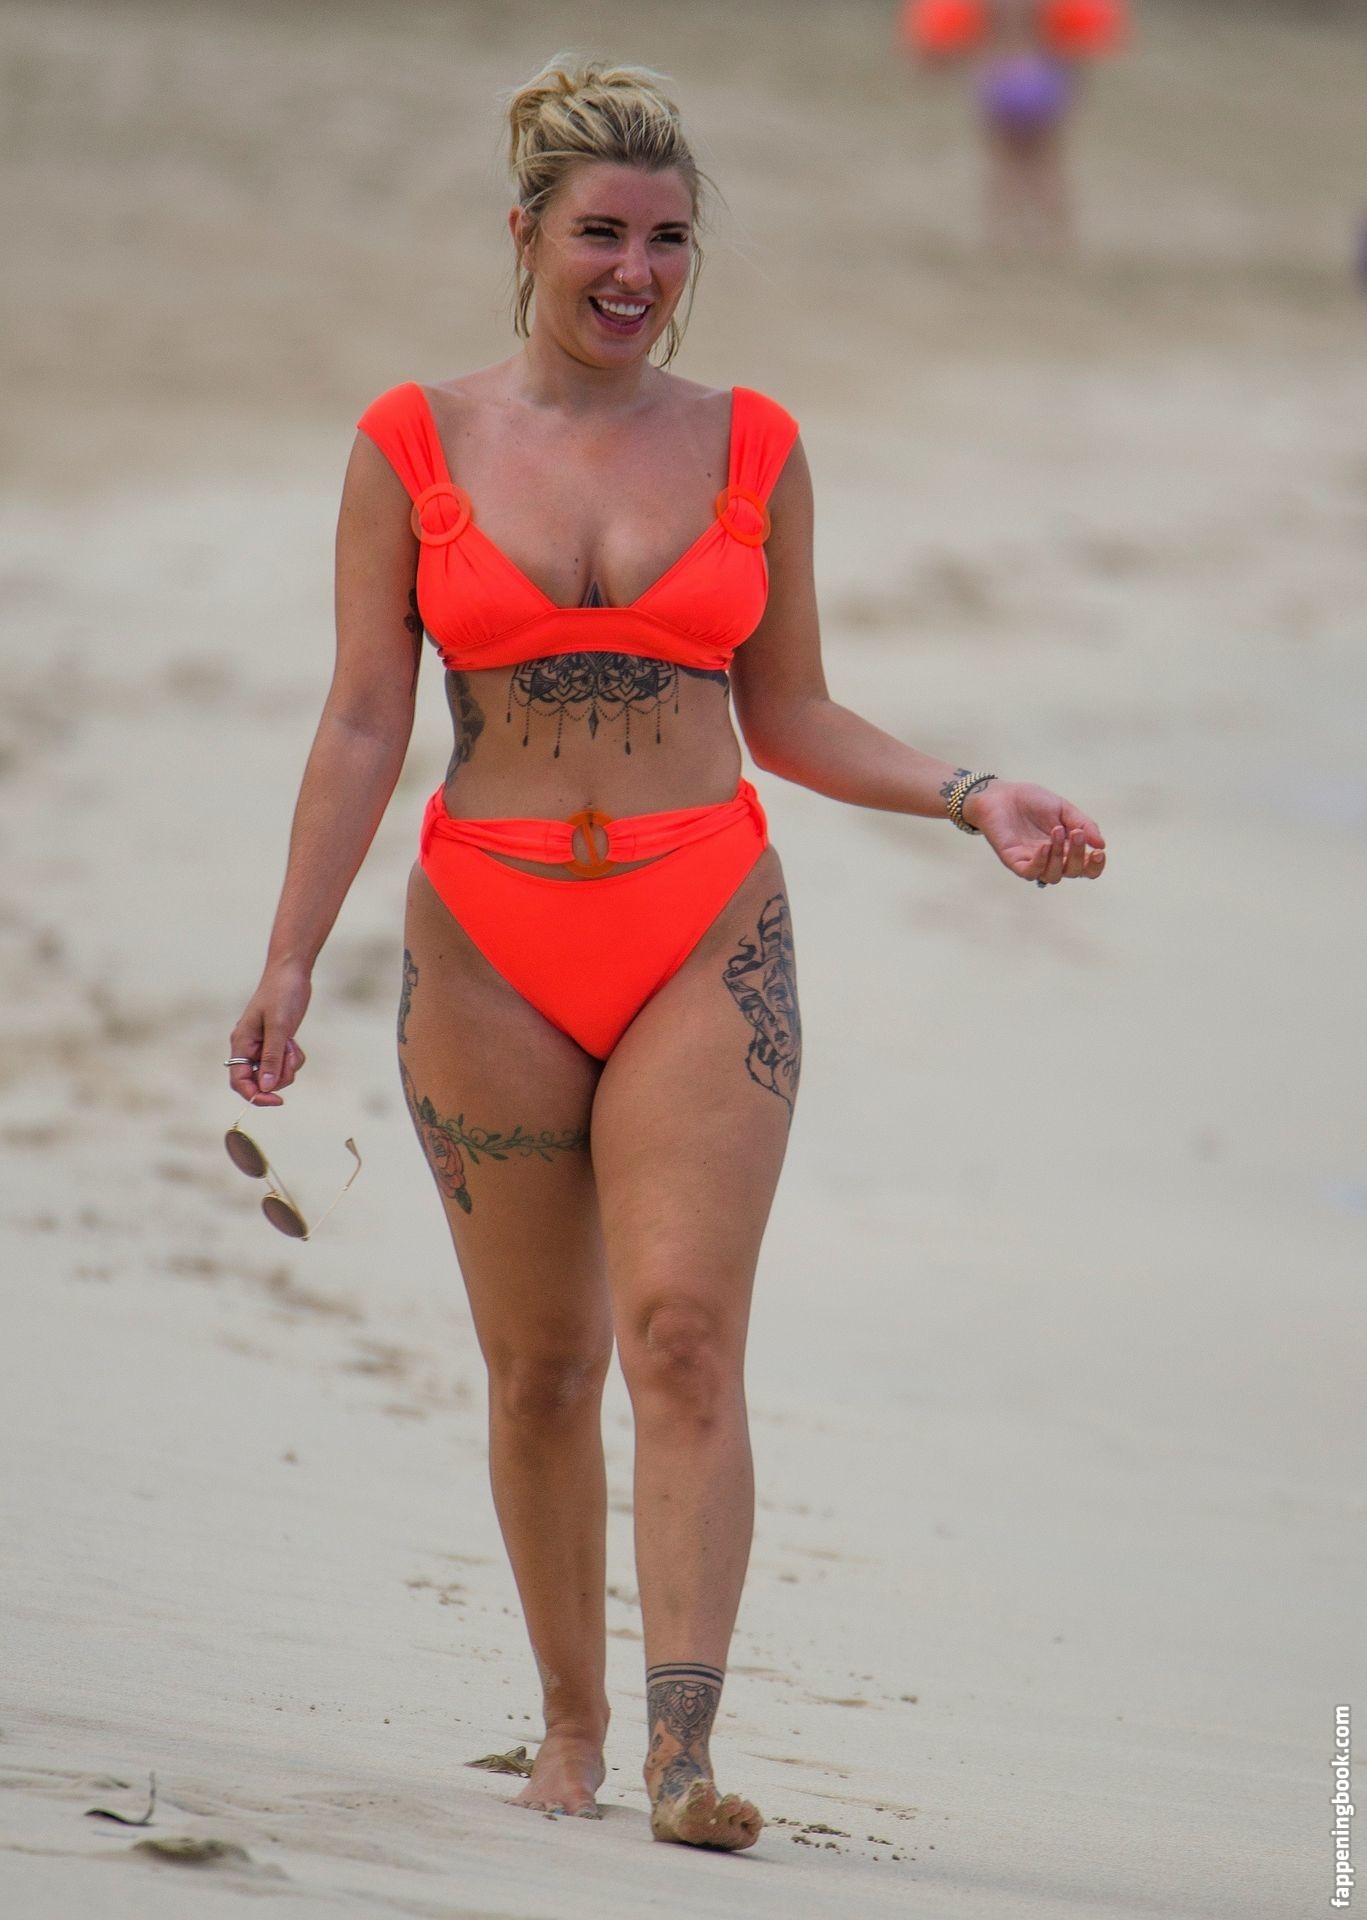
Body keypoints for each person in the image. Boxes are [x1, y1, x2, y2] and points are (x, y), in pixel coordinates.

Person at [226, 54, 1106, 1853]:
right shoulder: (409, 442)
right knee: (541, 1369)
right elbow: (364, 717)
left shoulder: (752, 445)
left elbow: (790, 713)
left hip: (702, 924)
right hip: (485, 940)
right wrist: (289, 957)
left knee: (685, 1339)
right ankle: (567, 1725)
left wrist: (971, 792)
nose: (636, 272)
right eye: (602, 235)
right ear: (525, 234)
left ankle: (682, 1759)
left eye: (669, 240)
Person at [902, 0, 1128, 253]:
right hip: (1043, 77)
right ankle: (1055, 238)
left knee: (1005, 167)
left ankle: (1003, 237)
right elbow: (1073, 47)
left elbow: (959, 43)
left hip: (999, 77)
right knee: (1046, 166)